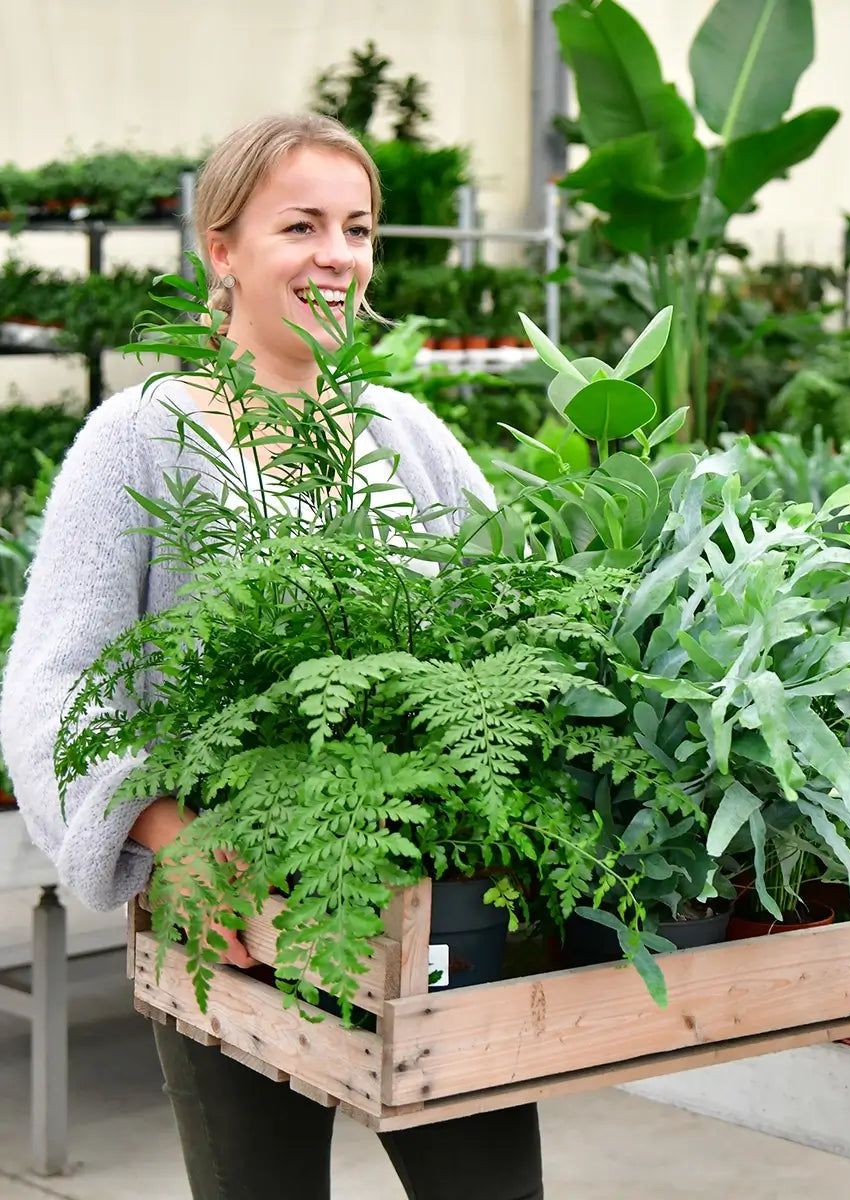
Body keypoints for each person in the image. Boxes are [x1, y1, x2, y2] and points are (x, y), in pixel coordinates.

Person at [0, 113, 543, 1200]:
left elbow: (514, 622)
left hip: (429, 906)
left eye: (359, 227)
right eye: (301, 225)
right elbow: (53, 687)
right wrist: (169, 834)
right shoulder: (142, 437)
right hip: (235, 919)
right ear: (222, 248)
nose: (337, 255)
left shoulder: (406, 434)